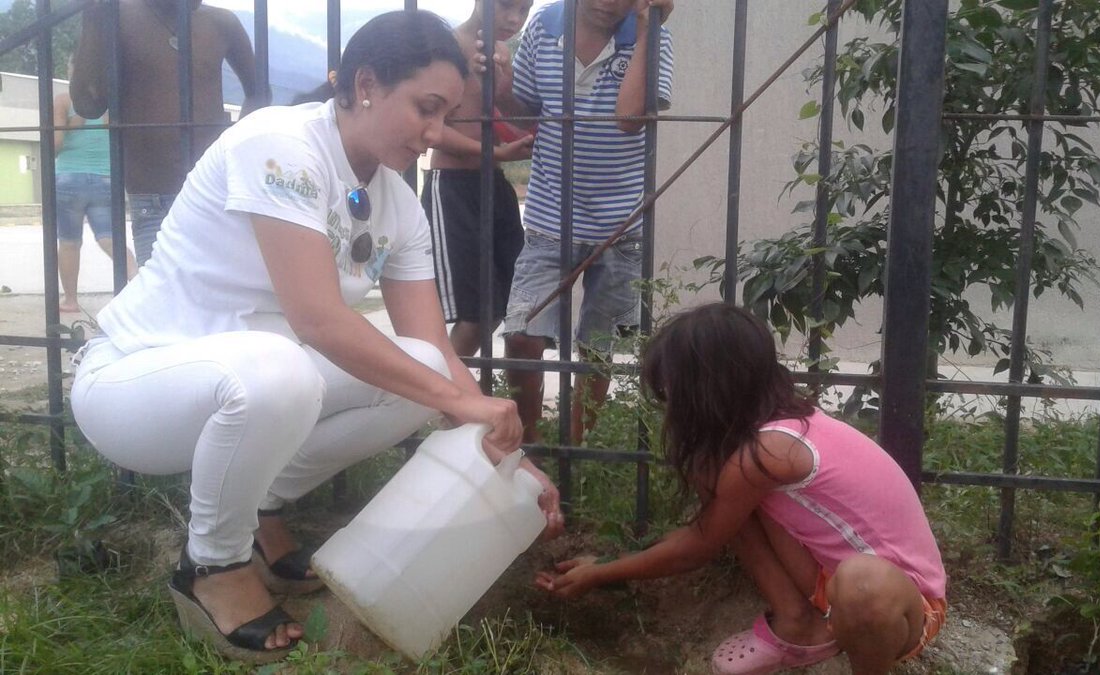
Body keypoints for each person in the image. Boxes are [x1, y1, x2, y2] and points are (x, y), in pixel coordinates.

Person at [69, 11, 562, 664]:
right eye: (426, 108)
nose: (437, 132)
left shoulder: (395, 202)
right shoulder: (280, 143)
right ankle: (211, 563)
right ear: (365, 85)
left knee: (417, 370)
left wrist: (507, 452)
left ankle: (256, 512)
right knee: (281, 369)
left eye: (446, 115)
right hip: (134, 382)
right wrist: (469, 404)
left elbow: (434, 348)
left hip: (253, 384)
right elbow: (318, 320)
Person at [535, 304, 947, 675]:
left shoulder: (772, 450)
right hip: (830, 582)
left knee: (862, 583)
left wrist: (601, 573)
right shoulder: (773, 432)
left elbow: (698, 546)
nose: (668, 401)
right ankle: (797, 622)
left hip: (904, 607)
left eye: (672, 389)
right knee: (715, 477)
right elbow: (708, 527)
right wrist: (606, 564)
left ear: (706, 387)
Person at [497, 0, 675, 444]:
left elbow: (630, 119)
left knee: (598, 347)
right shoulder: (544, 27)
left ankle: (576, 447)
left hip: (620, 226)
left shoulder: (651, 35)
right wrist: (500, 91)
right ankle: (529, 443)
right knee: (522, 334)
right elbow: (526, 114)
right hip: (547, 218)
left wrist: (648, 27)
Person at [70, 0, 270, 266]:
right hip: (153, 196)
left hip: (215, 190)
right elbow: (88, 104)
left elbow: (259, 93)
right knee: (164, 300)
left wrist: (235, 149)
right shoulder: (117, 14)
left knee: (217, 298)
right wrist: (93, 17)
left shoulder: (221, 22)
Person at [421, 0, 536, 358]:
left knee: (504, 306)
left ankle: (451, 397)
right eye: (506, 6)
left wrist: (501, 91)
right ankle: (438, 404)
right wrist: (499, 153)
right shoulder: (447, 45)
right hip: (452, 187)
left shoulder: (501, 51)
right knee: (473, 316)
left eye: (524, 9)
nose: (515, 19)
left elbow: (503, 118)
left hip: (494, 185)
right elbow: (432, 130)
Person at [53, 55, 137, 314]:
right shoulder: (111, 101)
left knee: (68, 242)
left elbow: (53, 146)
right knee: (110, 237)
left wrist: (73, 123)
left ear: (71, 71)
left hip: (68, 178)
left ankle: (70, 300)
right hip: (105, 178)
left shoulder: (64, 100)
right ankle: (137, 283)